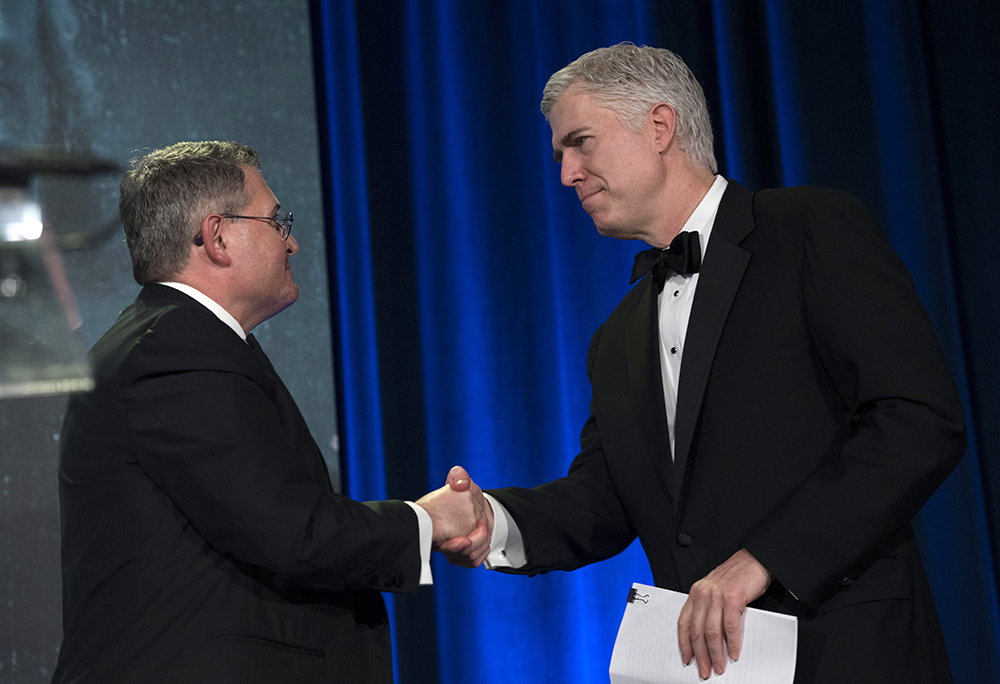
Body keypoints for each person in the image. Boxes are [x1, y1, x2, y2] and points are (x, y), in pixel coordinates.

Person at [440, 43, 966, 683]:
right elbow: (605, 501)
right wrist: (493, 522)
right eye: (560, 156)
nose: (567, 174)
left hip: (846, 649)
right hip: (707, 668)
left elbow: (916, 419)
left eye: (580, 144)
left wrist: (762, 560)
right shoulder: (616, 337)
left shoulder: (808, 228)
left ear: (659, 128)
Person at [52, 141, 486, 683]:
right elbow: (290, 531)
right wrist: (430, 520)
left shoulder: (180, 341)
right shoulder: (173, 350)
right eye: (277, 221)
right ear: (218, 237)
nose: (293, 241)